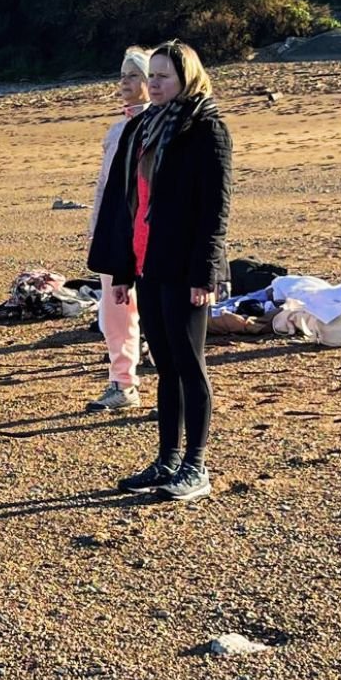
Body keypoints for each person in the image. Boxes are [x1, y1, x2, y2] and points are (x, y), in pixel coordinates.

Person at [88, 40, 232, 503]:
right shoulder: (144, 128)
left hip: (185, 265)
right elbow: (124, 203)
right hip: (146, 261)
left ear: (186, 77)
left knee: (190, 365)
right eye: (151, 75)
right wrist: (121, 271)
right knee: (165, 365)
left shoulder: (206, 129)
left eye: (163, 76)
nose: (153, 84)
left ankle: (196, 465)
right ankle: (168, 458)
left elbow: (215, 210)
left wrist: (204, 275)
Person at [85, 48, 150, 411]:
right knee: (115, 311)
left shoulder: (160, 126)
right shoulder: (117, 130)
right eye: (123, 76)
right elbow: (105, 186)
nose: (125, 83)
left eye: (132, 76)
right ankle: (122, 382)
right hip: (116, 233)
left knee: (154, 308)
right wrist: (96, 229)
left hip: (149, 233)